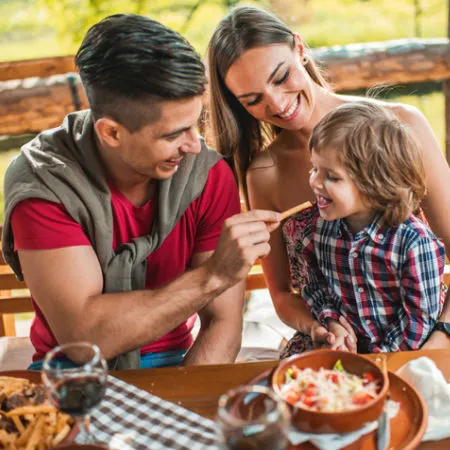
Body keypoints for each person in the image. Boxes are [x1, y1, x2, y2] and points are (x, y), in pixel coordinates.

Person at [1, 14, 281, 370]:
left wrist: (183, 409)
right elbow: (86, 340)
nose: (194, 146)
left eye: (196, 124)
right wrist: (213, 275)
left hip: (181, 361)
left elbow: (223, 324)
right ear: (111, 133)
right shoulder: (45, 185)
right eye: (172, 135)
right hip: (72, 370)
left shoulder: (208, 175)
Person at [207, 5, 450, 352]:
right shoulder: (264, 173)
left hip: (424, 334)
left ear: (300, 48)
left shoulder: (401, 126)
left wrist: (438, 341)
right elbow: (281, 295)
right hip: (334, 346)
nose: (277, 104)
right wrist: (322, 327)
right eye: (253, 100)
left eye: (280, 77)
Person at [282, 101, 446, 355]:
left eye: (332, 177)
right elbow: (314, 287)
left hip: (402, 350)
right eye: (314, 168)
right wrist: (331, 322)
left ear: (375, 184)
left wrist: (377, 358)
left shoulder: (415, 244)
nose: (315, 182)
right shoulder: (319, 229)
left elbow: (418, 320)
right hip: (347, 347)